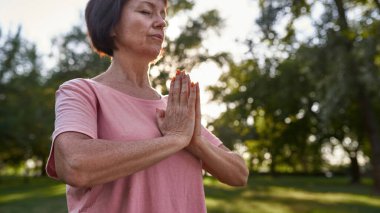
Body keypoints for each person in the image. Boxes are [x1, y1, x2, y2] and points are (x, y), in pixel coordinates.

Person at [45, 0, 249, 212]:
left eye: (163, 15)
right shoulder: (81, 92)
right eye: (146, 11)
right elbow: (75, 165)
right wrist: (175, 140)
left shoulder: (175, 109)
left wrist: (196, 142)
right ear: (111, 25)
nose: (161, 22)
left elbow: (238, 173)